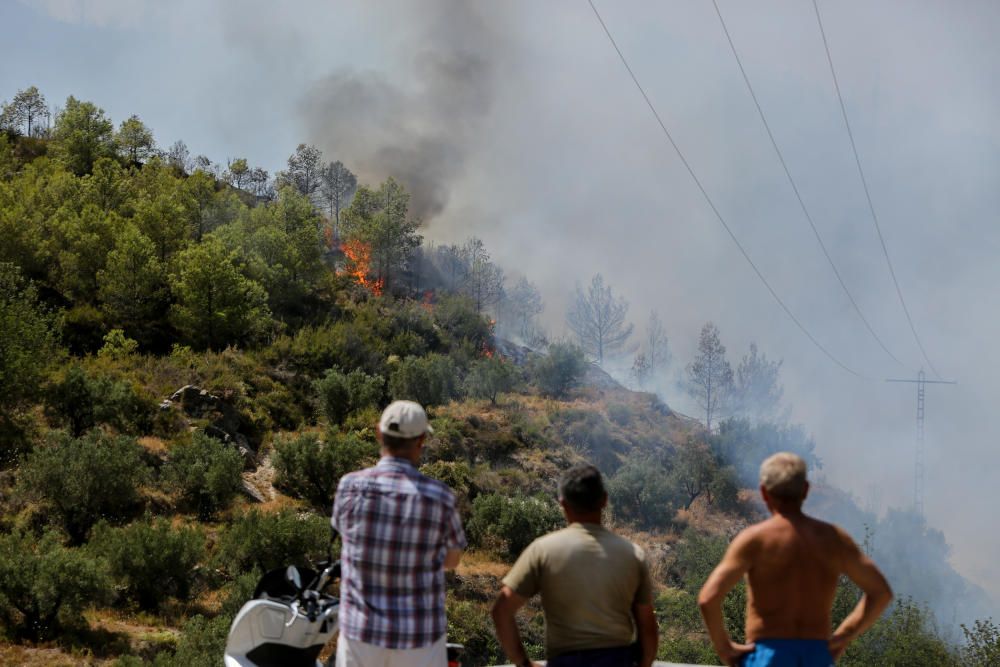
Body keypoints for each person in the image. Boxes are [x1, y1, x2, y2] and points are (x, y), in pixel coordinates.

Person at [698, 452, 893, 667]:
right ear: (806, 490)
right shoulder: (833, 539)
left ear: (764, 492)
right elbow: (881, 592)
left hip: (769, 655)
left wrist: (725, 649)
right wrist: (842, 637)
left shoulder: (755, 540)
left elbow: (708, 598)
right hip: (816, 655)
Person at [331, 400, 466, 667]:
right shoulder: (441, 497)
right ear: (421, 441)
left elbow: (344, 536)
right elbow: (453, 560)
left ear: (379, 433)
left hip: (362, 634)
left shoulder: (350, 486)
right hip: (419, 638)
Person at [491, 463, 658, 667]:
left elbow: (501, 610)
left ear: (563, 503)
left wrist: (523, 663)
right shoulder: (632, 554)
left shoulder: (543, 550)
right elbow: (648, 628)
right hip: (618, 660)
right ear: (604, 500)